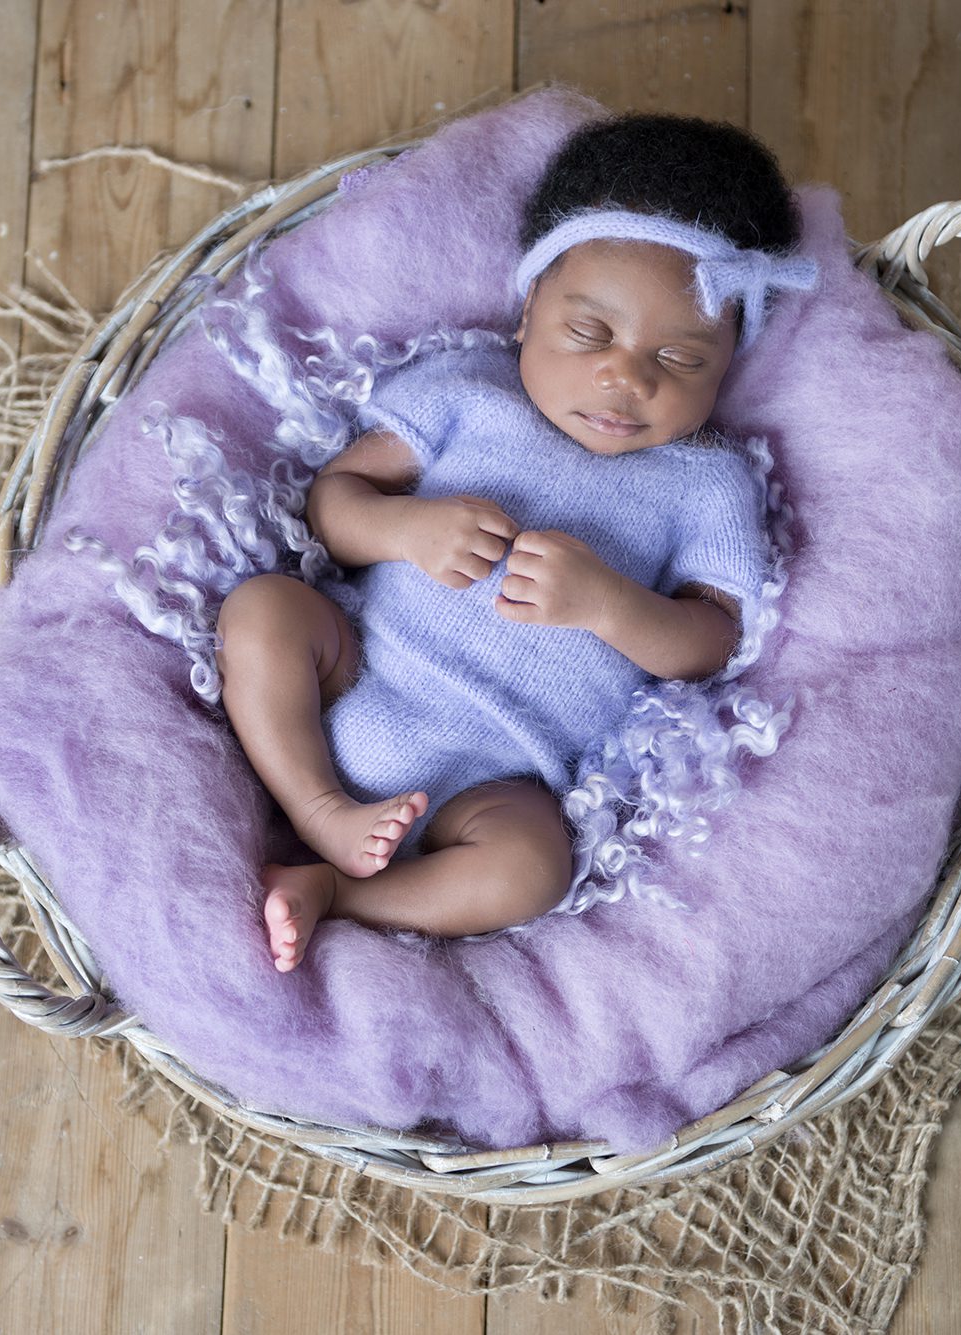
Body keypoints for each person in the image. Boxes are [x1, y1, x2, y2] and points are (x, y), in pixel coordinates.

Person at [213, 112, 819, 971]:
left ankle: (340, 894)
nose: (627, 377)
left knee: (537, 866)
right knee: (265, 610)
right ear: (531, 304)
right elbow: (334, 500)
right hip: (357, 673)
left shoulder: (707, 481)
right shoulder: (470, 392)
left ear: (728, 365)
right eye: (591, 333)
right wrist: (404, 527)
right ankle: (318, 812)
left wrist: (614, 606)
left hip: (497, 777)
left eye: (681, 359)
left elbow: (711, 640)